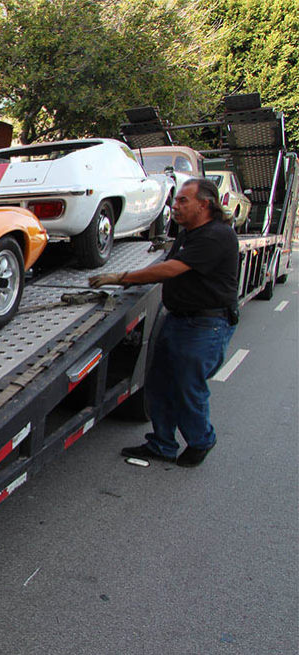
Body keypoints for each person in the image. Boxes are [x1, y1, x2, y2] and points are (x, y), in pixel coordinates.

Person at [88, 178, 239, 467]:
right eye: (176, 200)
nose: (175, 205)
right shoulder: (189, 233)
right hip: (179, 321)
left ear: (204, 204)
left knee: (186, 387)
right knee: (158, 383)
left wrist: (121, 277)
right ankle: (163, 443)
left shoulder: (216, 236)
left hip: (204, 327)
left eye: (183, 200)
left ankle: (201, 440)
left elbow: (172, 269)